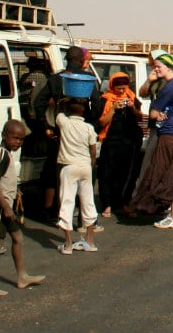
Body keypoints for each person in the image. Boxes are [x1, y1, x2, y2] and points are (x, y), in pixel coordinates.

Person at [0, 120, 45, 296]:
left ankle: (22, 276)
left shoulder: (7, 154)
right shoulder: (1, 154)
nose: (18, 142)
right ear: (5, 136)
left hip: (7, 205)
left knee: (18, 238)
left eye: (21, 139)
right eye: (15, 138)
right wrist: (6, 206)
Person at [32, 46, 101, 217]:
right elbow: (98, 105)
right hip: (82, 130)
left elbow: (38, 103)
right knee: (84, 176)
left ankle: (60, 214)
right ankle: (82, 216)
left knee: (59, 173)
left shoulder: (56, 79)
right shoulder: (88, 79)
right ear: (80, 60)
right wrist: (90, 124)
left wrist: (47, 127)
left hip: (60, 130)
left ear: (66, 59)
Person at [130, 53, 173, 228]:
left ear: (168, 67)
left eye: (159, 67)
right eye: (154, 66)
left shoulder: (170, 87)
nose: (156, 69)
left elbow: (154, 112)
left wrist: (156, 113)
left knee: (165, 174)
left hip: (169, 134)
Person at [55, 97, 98, 254]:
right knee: (88, 202)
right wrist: (91, 165)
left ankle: (67, 244)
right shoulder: (88, 127)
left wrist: (62, 103)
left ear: (67, 110)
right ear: (84, 111)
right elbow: (93, 149)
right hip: (85, 166)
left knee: (67, 202)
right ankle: (90, 241)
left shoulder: (64, 122)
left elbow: (58, 112)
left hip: (69, 166)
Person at [97, 72, 142, 218]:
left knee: (126, 174)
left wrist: (131, 107)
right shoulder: (105, 100)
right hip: (110, 142)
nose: (122, 91)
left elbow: (140, 116)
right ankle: (107, 204)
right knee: (106, 173)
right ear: (112, 87)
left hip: (128, 142)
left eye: (124, 88)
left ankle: (124, 202)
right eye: (119, 89)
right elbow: (102, 122)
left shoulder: (132, 97)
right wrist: (113, 109)